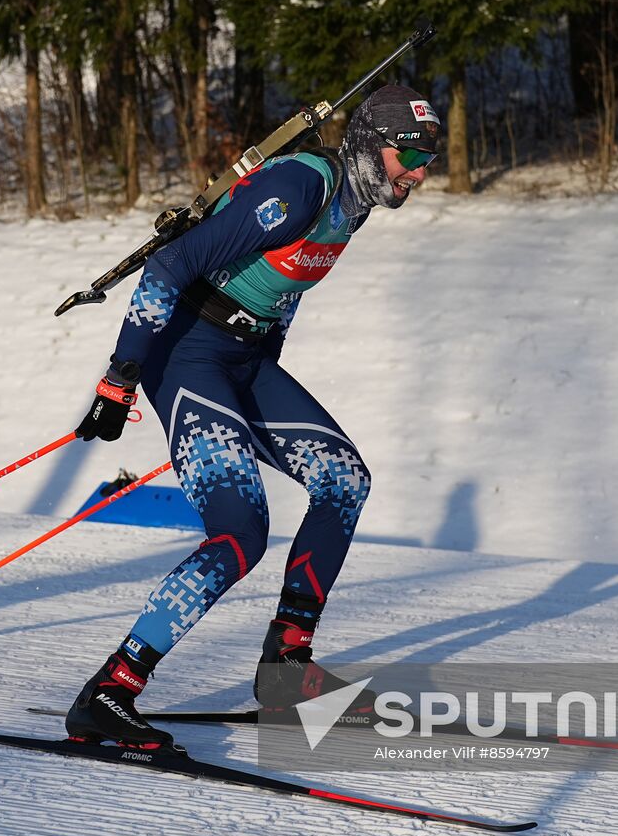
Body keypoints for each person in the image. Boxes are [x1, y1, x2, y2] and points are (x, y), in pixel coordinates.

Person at [66, 84, 441, 748]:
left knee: (343, 480)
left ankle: (286, 672)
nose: (416, 171)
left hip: (242, 360)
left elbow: (281, 293)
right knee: (240, 533)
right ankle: (110, 691)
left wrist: (257, 375)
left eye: (425, 159)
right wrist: (121, 377)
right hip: (187, 357)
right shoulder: (302, 188)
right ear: (365, 144)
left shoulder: (357, 200)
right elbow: (169, 266)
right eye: (405, 155)